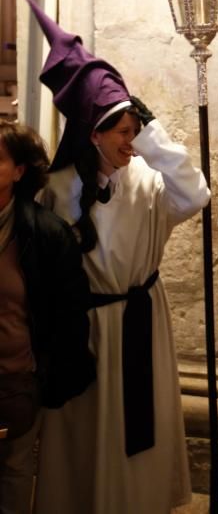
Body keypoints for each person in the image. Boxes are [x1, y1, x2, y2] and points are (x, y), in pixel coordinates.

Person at [24, 0, 211, 514]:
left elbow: (196, 195)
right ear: (93, 134)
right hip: (86, 329)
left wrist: (150, 133)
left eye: (135, 133)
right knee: (90, 438)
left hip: (139, 323)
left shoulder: (150, 182)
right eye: (123, 133)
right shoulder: (57, 190)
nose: (131, 142)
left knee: (138, 433)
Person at [0, 120, 95, 514]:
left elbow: (68, 315)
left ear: (19, 171)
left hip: (15, 380)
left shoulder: (46, 234)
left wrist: (46, 375)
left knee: (14, 473)